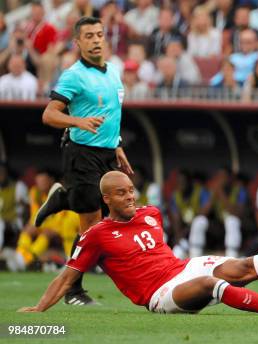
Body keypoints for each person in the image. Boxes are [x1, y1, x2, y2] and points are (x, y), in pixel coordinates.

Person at [17, 171, 258, 315]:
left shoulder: (151, 214)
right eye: (122, 193)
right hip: (159, 293)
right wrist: (39, 309)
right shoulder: (96, 234)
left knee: (245, 266)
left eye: (131, 191)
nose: (130, 197)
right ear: (106, 199)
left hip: (181, 268)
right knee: (209, 284)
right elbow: (67, 276)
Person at [35, 17, 133, 305]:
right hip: (81, 152)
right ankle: (74, 291)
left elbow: (113, 116)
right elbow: (49, 114)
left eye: (99, 34)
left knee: (105, 218)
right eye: (89, 35)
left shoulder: (114, 72)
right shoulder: (73, 75)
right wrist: (78, 120)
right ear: (77, 42)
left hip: (106, 153)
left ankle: (62, 198)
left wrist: (117, 145)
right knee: (91, 226)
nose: (96, 40)